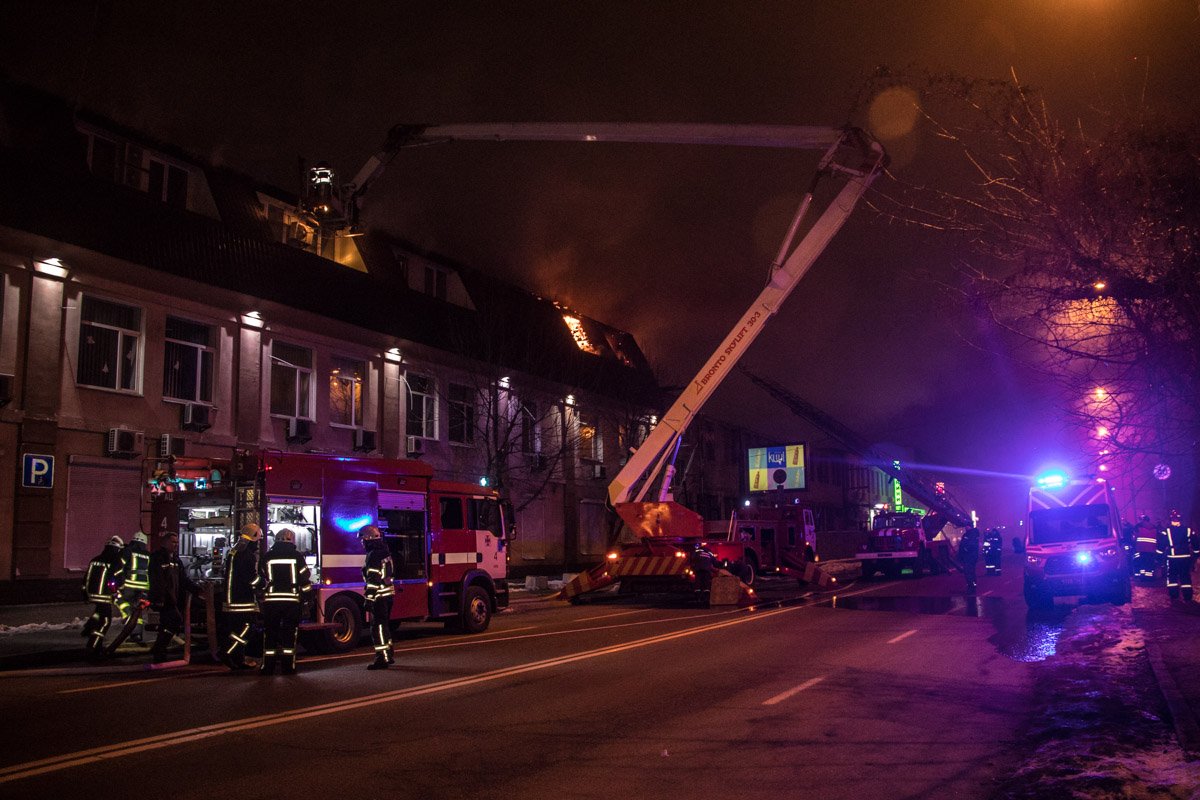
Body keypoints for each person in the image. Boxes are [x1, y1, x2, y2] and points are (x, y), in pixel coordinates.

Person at [259, 527, 313, 675]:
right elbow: (304, 578)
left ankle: (267, 667)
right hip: (291, 601)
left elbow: (260, 576)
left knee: (270, 633)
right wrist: (309, 598)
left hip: (271, 601)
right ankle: (288, 667)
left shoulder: (267, 556)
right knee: (289, 634)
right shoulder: (297, 556)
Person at [148, 530, 203, 663]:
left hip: (173, 599)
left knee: (167, 623)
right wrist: (159, 599)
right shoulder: (158, 558)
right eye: (173, 542)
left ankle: (159, 651)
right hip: (164, 599)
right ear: (165, 542)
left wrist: (198, 590)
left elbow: (183, 580)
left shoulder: (176, 560)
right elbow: (157, 580)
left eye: (177, 542)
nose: (176, 545)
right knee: (174, 620)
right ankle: (159, 648)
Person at [220, 523, 263, 670]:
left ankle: (238, 659)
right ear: (253, 537)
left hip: (231, 598)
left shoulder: (235, 551)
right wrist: (264, 582)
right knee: (246, 629)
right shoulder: (247, 555)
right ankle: (227, 652)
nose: (258, 544)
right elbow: (250, 579)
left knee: (238, 629)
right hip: (242, 600)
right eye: (258, 540)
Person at [81, 535, 125, 659]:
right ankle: (93, 647)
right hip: (104, 595)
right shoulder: (115, 561)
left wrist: (84, 593)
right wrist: (116, 592)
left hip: (91, 594)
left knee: (98, 613)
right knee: (105, 621)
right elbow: (115, 580)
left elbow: (86, 578)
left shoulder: (95, 559)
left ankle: (88, 628)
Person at [360, 524, 395, 670]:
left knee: (378, 627)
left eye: (363, 540)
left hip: (379, 596)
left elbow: (373, 579)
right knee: (384, 626)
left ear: (368, 539)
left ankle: (382, 659)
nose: (362, 543)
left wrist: (369, 598)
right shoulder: (385, 551)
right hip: (387, 594)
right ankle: (388, 654)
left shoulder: (373, 555)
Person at [112, 530, 152, 648]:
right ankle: (136, 635)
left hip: (129, 586)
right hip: (144, 588)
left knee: (120, 602)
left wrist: (118, 581)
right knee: (138, 612)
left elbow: (119, 567)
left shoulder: (128, 551)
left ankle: (129, 622)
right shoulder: (148, 554)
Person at [1159, 510, 1198, 602]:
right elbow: (1195, 543)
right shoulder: (1188, 530)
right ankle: (1187, 596)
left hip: (1172, 558)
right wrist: (1196, 554)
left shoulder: (1166, 531)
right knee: (1185, 577)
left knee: (1172, 577)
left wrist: (1159, 556)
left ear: (1170, 519)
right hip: (1185, 558)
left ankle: (1174, 595)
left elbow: (1161, 545)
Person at [1133, 515, 1159, 580]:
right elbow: (1158, 538)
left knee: (1141, 562)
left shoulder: (1138, 526)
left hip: (1141, 548)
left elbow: (1134, 537)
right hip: (1151, 549)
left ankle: (1142, 576)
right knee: (1149, 562)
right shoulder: (1154, 527)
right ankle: (1149, 576)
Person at [958, 527, 980, 594]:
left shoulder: (971, 534)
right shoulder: (969, 534)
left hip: (969, 555)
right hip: (969, 556)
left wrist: (966, 549)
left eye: (967, 526)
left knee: (968, 570)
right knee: (970, 570)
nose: (965, 527)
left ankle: (971, 584)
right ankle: (972, 583)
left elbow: (970, 545)